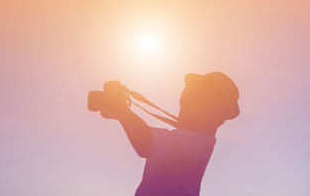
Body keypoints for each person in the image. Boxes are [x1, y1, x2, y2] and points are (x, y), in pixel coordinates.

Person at [99, 72, 240, 196]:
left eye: (190, 102)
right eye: (183, 103)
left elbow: (144, 143)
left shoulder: (196, 144)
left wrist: (121, 109)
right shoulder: (195, 143)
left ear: (214, 113)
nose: (182, 107)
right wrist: (121, 115)